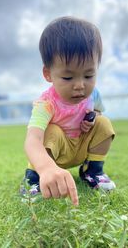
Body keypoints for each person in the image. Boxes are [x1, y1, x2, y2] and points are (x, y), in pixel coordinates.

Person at [21, 16, 116, 206]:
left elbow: (98, 113)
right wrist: (46, 167)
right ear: (48, 74)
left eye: (89, 75)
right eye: (67, 77)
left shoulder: (93, 94)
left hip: (79, 146)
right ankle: (34, 178)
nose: (80, 85)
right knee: (52, 130)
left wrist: (92, 118)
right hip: (54, 153)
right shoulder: (46, 103)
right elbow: (33, 140)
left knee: (104, 123)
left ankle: (93, 171)